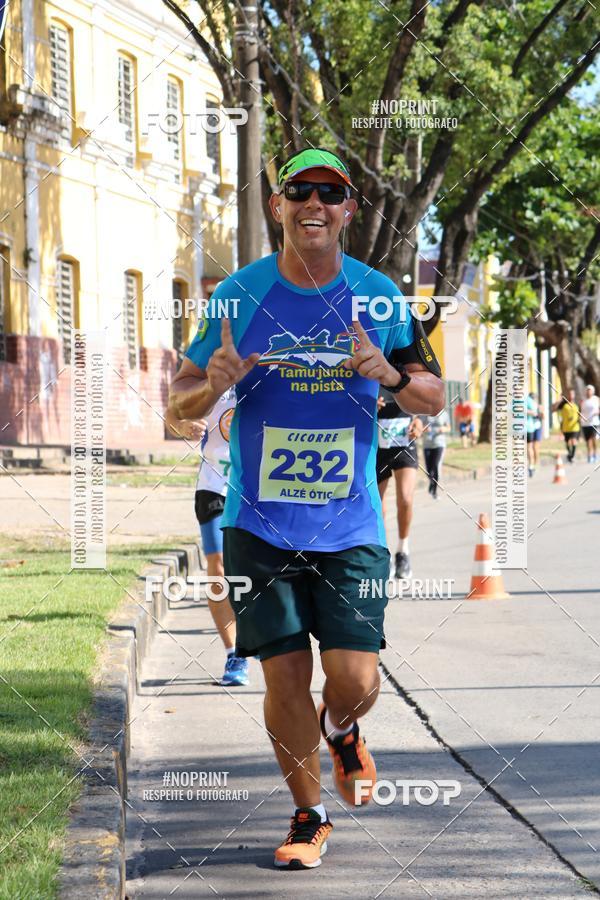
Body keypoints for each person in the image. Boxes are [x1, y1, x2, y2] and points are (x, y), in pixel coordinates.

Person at [168, 147, 444, 870]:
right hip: (258, 523)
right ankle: (307, 814)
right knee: (283, 675)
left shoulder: (379, 296)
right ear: (279, 207)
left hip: (350, 524)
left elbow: (432, 394)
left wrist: (387, 373)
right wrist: (210, 388)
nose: (313, 203)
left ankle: (343, 730)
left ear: (349, 209)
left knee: (352, 679)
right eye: (299, 191)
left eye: (330, 192)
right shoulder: (237, 296)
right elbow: (177, 408)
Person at [165, 391, 249, 686]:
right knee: (219, 566)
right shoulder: (208, 371)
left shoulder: (272, 361)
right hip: (214, 486)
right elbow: (172, 412)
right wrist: (181, 427)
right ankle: (234, 654)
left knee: (252, 570)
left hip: (258, 488)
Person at [376, 390, 424, 577]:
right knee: (377, 505)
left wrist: (419, 421)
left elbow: (425, 401)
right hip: (378, 444)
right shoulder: (367, 366)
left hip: (404, 442)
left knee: (405, 499)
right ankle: (383, 554)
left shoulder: (408, 365)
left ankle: (403, 551)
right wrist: (369, 405)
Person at [421, 408, 451, 498]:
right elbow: (419, 427)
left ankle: (434, 490)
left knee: (436, 466)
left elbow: (448, 428)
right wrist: (425, 429)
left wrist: (442, 429)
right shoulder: (423, 413)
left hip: (439, 443)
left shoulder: (444, 414)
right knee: (428, 469)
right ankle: (431, 482)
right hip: (427, 444)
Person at [552, 388, 580, 463]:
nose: (571, 395)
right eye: (570, 394)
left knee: (574, 441)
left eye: (572, 394)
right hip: (566, 428)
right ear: (567, 395)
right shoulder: (563, 404)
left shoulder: (577, 403)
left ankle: (572, 455)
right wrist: (560, 399)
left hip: (575, 427)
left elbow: (580, 414)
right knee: (567, 442)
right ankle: (569, 454)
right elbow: (553, 409)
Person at [580, 384, 599, 463]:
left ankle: (595, 454)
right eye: (587, 391)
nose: (588, 392)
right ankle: (589, 455)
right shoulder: (583, 401)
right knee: (588, 440)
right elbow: (581, 411)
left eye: (590, 391)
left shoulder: (596, 399)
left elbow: (598, 409)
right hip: (585, 423)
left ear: (592, 391)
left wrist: (597, 412)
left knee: (593, 439)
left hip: (594, 422)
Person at [526, 392, 543, 477]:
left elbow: (542, 417)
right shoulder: (529, 404)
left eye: (534, 398)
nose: (533, 399)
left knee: (535, 447)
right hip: (531, 427)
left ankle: (536, 464)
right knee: (531, 447)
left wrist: (540, 412)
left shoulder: (537, 406)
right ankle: (533, 464)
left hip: (537, 427)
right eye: (532, 398)